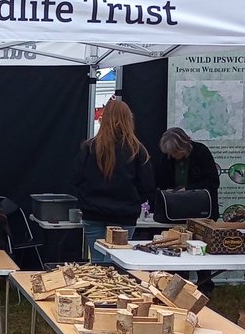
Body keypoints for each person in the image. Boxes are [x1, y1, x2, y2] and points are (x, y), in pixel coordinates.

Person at [72, 98, 154, 263]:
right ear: (128, 119)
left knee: (97, 262)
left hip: (93, 213)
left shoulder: (89, 147)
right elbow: (147, 186)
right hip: (124, 215)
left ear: (105, 118)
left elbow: (76, 178)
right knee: (118, 262)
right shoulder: (137, 150)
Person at [155, 127, 221, 293]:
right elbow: (160, 181)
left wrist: (189, 189)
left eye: (175, 153)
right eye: (169, 153)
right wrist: (167, 192)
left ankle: (205, 285)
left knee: (201, 246)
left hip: (202, 210)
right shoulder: (167, 157)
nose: (172, 157)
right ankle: (179, 282)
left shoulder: (201, 152)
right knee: (176, 244)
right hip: (176, 212)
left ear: (183, 147)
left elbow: (213, 182)